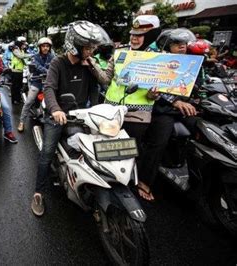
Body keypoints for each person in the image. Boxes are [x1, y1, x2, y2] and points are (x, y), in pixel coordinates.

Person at [30, 21, 113, 216]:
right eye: (87, 47)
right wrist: (56, 110)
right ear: (74, 45)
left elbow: (96, 89)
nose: (91, 51)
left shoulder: (90, 65)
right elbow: (49, 88)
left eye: (93, 47)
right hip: (58, 115)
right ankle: (38, 193)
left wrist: (95, 112)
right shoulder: (57, 63)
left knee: (97, 146)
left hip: (82, 115)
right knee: (47, 153)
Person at [102, 15, 162, 201]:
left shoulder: (159, 59)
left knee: (128, 151)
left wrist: (155, 94)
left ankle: (124, 188)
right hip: (111, 110)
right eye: (132, 34)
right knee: (106, 148)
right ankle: (107, 184)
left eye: (140, 35)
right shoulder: (119, 53)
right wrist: (91, 65)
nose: (134, 38)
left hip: (137, 115)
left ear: (151, 36)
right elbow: (105, 79)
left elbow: (160, 91)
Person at [138, 28, 201, 201]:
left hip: (185, 108)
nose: (182, 47)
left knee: (204, 130)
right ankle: (144, 180)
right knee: (159, 141)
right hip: (162, 110)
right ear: (167, 46)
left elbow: (197, 85)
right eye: (177, 44)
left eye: (184, 44)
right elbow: (152, 89)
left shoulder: (191, 63)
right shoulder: (157, 62)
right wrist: (175, 101)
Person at [17, 37, 55, 132]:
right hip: (37, 82)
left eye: (47, 46)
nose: (45, 48)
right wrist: (48, 71)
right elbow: (37, 66)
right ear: (40, 47)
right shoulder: (35, 57)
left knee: (56, 100)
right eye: (43, 46)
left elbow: (56, 67)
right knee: (29, 101)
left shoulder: (53, 57)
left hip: (48, 82)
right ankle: (21, 122)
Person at [10, 36, 33, 105]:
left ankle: (18, 99)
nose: (24, 45)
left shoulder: (21, 50)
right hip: (15, 71)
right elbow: (20, 56)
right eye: (23, 44)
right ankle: (14, 100)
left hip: (20, 70)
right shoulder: (15, 49)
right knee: (15, 86)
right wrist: (31, 55)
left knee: (19, 86)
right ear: (19, 43)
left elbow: (23, 59)